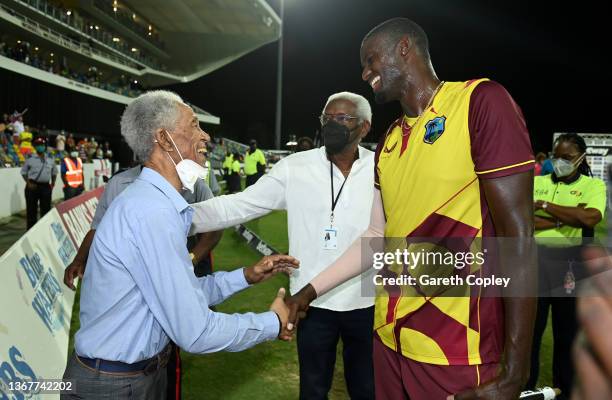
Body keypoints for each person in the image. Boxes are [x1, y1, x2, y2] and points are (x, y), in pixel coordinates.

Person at [286, 18, 536, 400]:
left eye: (370, 60)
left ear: (404, 48)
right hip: (388, 342)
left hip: (457, 350)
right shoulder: (388, 140)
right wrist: (309, 291)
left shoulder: (479, 101)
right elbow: (375, 237)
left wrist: (516, 371)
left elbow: (517, 237)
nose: (365, 72)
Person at [61, 91, 298, 400]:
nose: (206, 135)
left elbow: (180, 296)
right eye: (195, 124)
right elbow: (196, 331)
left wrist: (246, 276)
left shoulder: (154, 205)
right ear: (164, 138)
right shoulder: (152, 212)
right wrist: (273, 322)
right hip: (116, 385)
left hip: (132, 377)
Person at [191, 92, 376, 400]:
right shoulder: (295, 167)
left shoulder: (381, 167)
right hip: (310, 303)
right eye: (326, 118)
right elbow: (240, 205)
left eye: (342, 119)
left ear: (365, 127)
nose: (332, 124)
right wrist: (179, 217)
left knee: (367, 389)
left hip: (366, 302)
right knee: (313, 391)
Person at [527, 133, 606, 399]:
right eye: (556, 156)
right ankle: (527, 389)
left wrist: (544, 205)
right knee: (531, 332)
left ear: (581, 158)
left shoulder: (592, 186)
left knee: (566, 333)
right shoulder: (536, 182)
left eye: (567, 158)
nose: (560, 162)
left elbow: (590, 217)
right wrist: (566, 218)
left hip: (571, 263)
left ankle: (563, 390)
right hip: (536, 262)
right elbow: (525, 221)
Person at [21, 137, 57, 229]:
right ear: (35, 147)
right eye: (38, 145)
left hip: (45, 187)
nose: (40, 147)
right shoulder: (30, 158)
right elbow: (24, 172)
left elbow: (54, 172)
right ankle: (30, 232)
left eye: (42, 145)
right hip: (32, 187)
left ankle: (44, 230)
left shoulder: (50, 158)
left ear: (45, 146)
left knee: (45, 211)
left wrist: (53, 183)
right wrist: (28, 183)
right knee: (31, 212)